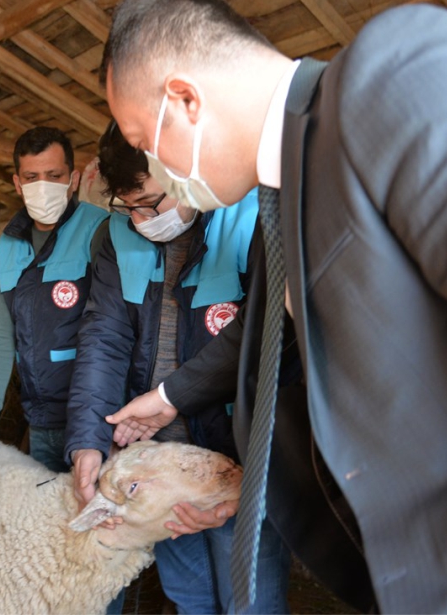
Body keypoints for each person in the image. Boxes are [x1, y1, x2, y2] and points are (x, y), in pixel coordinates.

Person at [100, 0, 447, 614]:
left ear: (184, 99)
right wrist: (167, 399)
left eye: (143, 140)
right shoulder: (282, 200)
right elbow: (265, 339)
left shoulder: (395, 74)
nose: (154, 167)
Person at [65, 122, 291, 615]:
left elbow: (265, 332)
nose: (143, 218)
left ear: (183, 170)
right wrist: (87, 439)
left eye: (153, 200)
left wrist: (171, 397)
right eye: (130, 205)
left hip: (235, 456)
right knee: (188, 596)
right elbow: (103, 338)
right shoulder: (117, 235)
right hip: (160, 466)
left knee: (249, 600)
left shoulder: (252, 217)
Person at [0, 126, 109, 473]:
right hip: (42, 418)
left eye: (53, 175)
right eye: (32, 177)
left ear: (73, 179)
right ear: (17, 183)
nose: (43, 185)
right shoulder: (9, 244)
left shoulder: (100, 230)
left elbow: (114, 330)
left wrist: (104, 423)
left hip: (98, 420)